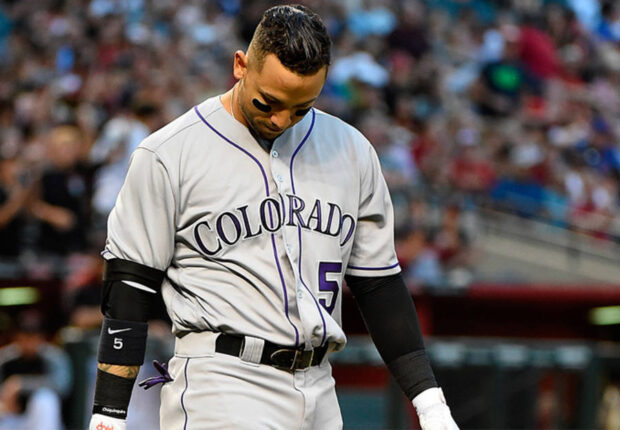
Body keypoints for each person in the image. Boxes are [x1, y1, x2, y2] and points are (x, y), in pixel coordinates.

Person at [89, 5, 458, 430]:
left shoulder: (351, 150)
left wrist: (431, 405)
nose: (282, 120)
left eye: (301, 108)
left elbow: (379, 285)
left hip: (320, 386)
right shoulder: (170, 153)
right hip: (222, 382)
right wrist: (108, 415)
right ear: (240, 65)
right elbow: (130, 289)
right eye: (269, 102)